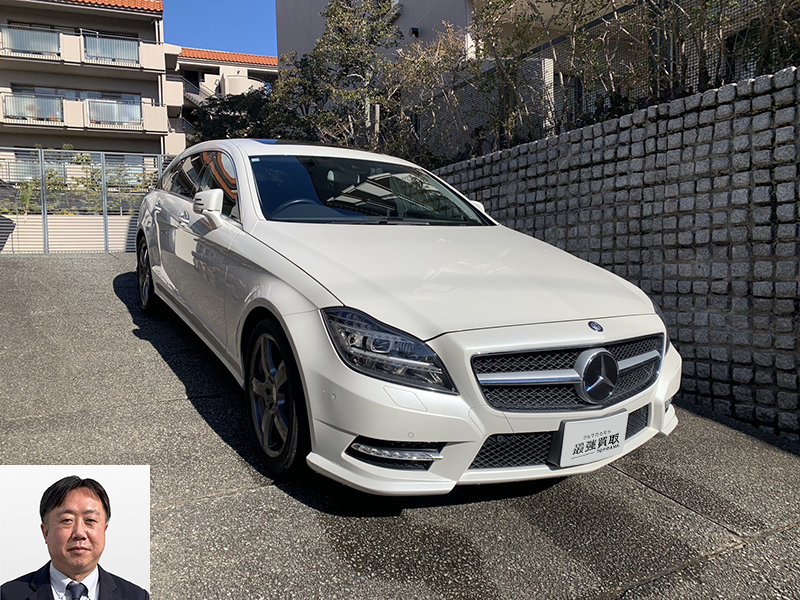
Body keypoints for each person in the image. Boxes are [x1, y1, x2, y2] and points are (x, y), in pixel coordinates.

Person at [1, 476, 149, 600]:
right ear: (46, 532)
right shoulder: (7, 595)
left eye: (90, 520)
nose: (79, 533)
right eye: (67, 520)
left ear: (104, 530)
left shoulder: (136, 596)